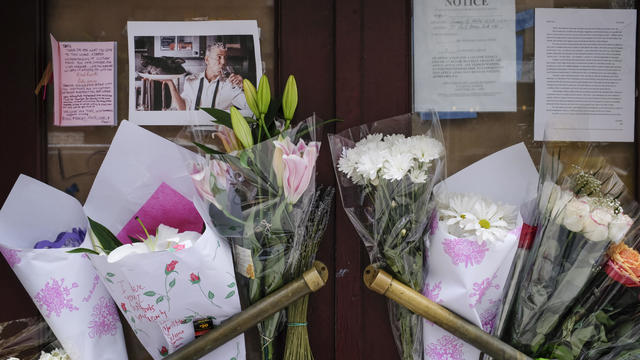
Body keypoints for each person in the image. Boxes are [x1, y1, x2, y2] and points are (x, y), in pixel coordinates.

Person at [165, 43, 249, 113]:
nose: (223, 62)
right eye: (219, 57)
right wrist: (170, 83)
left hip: (217, 132)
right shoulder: (190, 81)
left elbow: (252, 107)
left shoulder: (230, 85)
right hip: (193, 131)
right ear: (207, 60)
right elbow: (183, 108)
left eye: (225, 58)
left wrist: (245, 86)